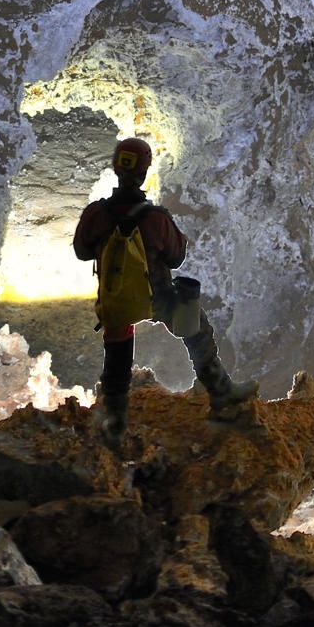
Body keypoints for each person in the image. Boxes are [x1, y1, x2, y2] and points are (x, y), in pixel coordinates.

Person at [73, 136, 257, 445]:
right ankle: (222, 394)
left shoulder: (96, 214)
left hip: (116, 301)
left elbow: (82, 250)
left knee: (117, 355)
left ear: (116, 168)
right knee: (196, 328)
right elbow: (176, 257)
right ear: (144, 172)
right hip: (158, 299)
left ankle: (114, 421)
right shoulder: (155, 218)